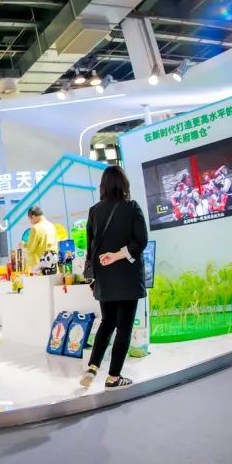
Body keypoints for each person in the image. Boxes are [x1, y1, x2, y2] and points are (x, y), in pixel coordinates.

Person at [79, 165, 149, 391]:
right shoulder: (132, 207)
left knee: (107, 323)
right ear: (123, 184)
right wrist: (118, 255)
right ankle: (113, 377)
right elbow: (141, 241)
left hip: (104, 278)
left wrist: (93, 276)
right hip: (128, 277)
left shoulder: (94, 211)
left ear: (103, 186)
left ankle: (92, 367)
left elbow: (91, 248)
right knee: (124, 328)